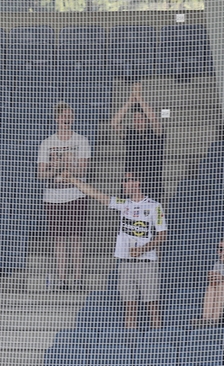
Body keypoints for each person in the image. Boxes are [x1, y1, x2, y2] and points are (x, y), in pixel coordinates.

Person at [66, 170, 168, 330]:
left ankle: (158, 341)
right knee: (129, 308)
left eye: (127, 181)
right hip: (125, 264)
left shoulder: (154, 206)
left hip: (147, 264)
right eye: (124, 181)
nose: (123, 184)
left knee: (152, 307)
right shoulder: (123, 204)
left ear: (137, 182)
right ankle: (130, 343)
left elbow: (162, 235)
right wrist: (73, 179)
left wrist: (143, 249)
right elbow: (96, 194)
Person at [37, 101, 92, 291]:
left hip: (75, 195)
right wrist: (59, 165)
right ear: (56, 119)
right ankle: (61, 279)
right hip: (53, 197)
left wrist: (71, 164)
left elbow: (84, 172)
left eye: (69, 116)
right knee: (59, 238)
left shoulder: (81, 141)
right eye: (62, 116)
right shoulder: (47, 143)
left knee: (76, 237)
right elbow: (41, 174)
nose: (66, 119)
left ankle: (77, 278)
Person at [110, 82, 165, 201]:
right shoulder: (130, 134)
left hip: (151, 184)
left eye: (140, 118)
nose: (137, 121)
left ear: (146, 119)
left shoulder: (156, 134)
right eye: (135, 119)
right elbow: (114, 123)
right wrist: (130, 100)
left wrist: (139, 98)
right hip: (131, 184)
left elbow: (154, 120)